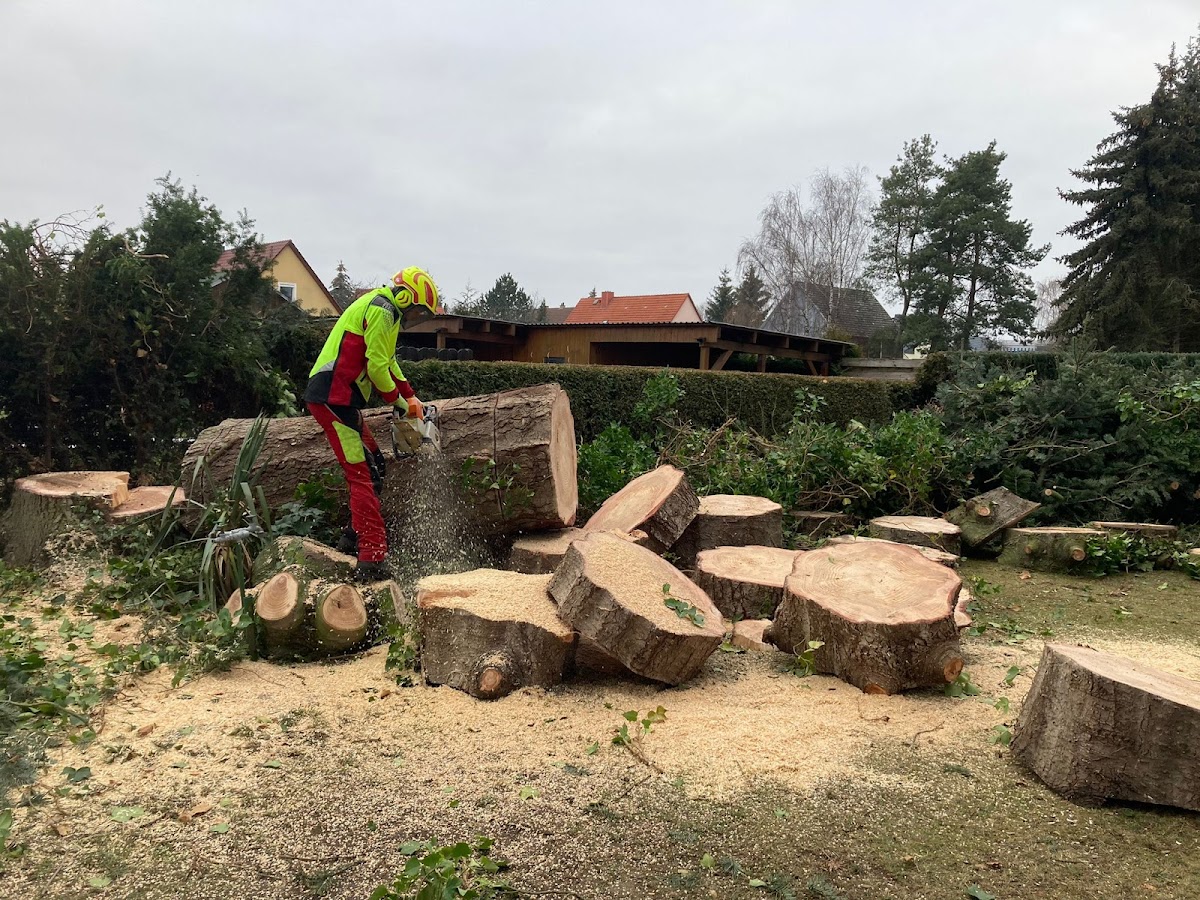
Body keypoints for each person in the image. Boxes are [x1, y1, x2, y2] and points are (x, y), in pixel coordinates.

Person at [304, 266, 438, 581]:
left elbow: (388, 362)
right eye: (417, 309)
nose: (416, 316)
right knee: (361, 475)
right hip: (332, 396)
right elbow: (377, 370)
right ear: (405, 297)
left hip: (343, 399)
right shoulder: (382, 310)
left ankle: (351, 538)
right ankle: (372, 558)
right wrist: (401, 404)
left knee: (375, 465)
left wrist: (411, 396)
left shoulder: (388, 313)